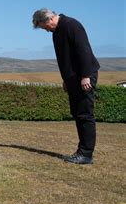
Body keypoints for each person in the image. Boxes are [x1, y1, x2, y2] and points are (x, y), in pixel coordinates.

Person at [32, 8, 100, 164]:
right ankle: (82, 152)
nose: (45, 31)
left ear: (48, 19)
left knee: (85, 114)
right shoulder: (56, 32)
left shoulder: (71, 25)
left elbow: (83, 51)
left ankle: (86, 154)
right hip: (73, 79)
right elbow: (65, 60)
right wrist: (66, 80)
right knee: (77, 113)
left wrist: (85, 76)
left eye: (44, 27)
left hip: (84, 77)